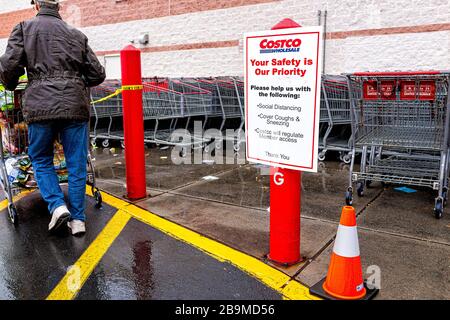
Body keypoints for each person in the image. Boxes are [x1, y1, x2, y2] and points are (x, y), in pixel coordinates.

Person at [0, 0, 106, 236]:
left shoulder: (23, 28)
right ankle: (78, 220)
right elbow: (97, 73)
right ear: (58, 6)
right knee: (77, 162)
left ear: (36, 4)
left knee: (40, 157)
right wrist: (74, 83)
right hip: (75, 107)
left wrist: (11, 83)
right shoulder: (76, 35)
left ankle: (57, 206)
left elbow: (9, 67)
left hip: (41, 107)